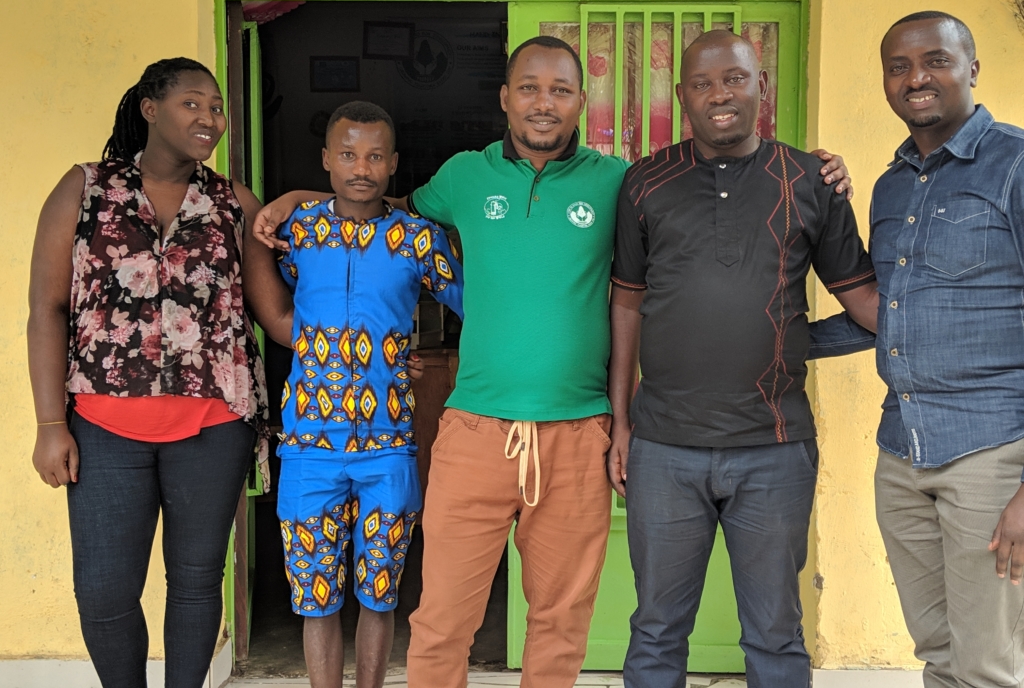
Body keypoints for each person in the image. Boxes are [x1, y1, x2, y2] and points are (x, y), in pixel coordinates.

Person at [253, 35, 854, 688]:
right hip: (474, 431)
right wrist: (301, 200)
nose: (545, 103)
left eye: (561, 90)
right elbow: (384, 210)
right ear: (506, 98)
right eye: (531, 89)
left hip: (577, 435)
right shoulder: (462, 177)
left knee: (561, 623)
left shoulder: (620, 183)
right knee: (440, 623)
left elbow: (676, 258)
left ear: (581, 102)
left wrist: (814, 172)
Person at [607, 29, 879, 688]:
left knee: (776, 636)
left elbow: (866, 300)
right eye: (701, 83)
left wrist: (796, 339)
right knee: (656, 631)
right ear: (682, 96)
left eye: (734, 78)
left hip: (775, 448)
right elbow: (626, 305)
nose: (719, 94)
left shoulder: (810, 180)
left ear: (761, 84)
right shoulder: (646, 182)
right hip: (665, 448)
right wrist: (621, 423)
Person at [27, 58, 285, 688]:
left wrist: (372, 344)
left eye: (217, 107)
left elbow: (277, 317)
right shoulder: (85, 188)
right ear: (150, 108)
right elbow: (47, 308)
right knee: (105, 590)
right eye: (192, 104)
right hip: (104, 427)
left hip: (214, 425)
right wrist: (49, 424)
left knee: (197, 585)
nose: (210, 119)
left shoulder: (232, 203)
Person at [809, 11, 1024, 687]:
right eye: (898, 67)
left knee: (988, 664)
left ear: (972, 68)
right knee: (938, 654)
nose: (916, 78)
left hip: (990, 455)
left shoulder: (1014, 166)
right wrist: (765, 344)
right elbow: (891, 312)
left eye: (935, 60)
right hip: (902, 453)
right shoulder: (894, 184)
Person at [246, 101, 464, 688]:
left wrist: (436, 367)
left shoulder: (419, 239)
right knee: (314, 595)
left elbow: (476, 307)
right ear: (326, 160)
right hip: (308, 446)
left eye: (373, 156)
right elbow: (294, 303)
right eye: (347, 154)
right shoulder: (298, 231)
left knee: (380, 591)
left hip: (387, 442)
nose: (360, 167)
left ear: (393, 164)